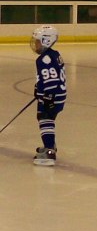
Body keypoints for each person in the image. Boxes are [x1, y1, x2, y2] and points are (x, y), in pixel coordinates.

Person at [31, 25, 67, 166]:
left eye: (38, 41)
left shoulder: (44, 60)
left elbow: (51, 80)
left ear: (46, 41)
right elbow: (46, 78)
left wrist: (47, 96)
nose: (35, 44)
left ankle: (49, 151)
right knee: (47, 119)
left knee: (45, 118)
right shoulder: (54, 54)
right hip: (57, 94)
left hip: (52, 95)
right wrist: (38, 88)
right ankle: (49, 144)